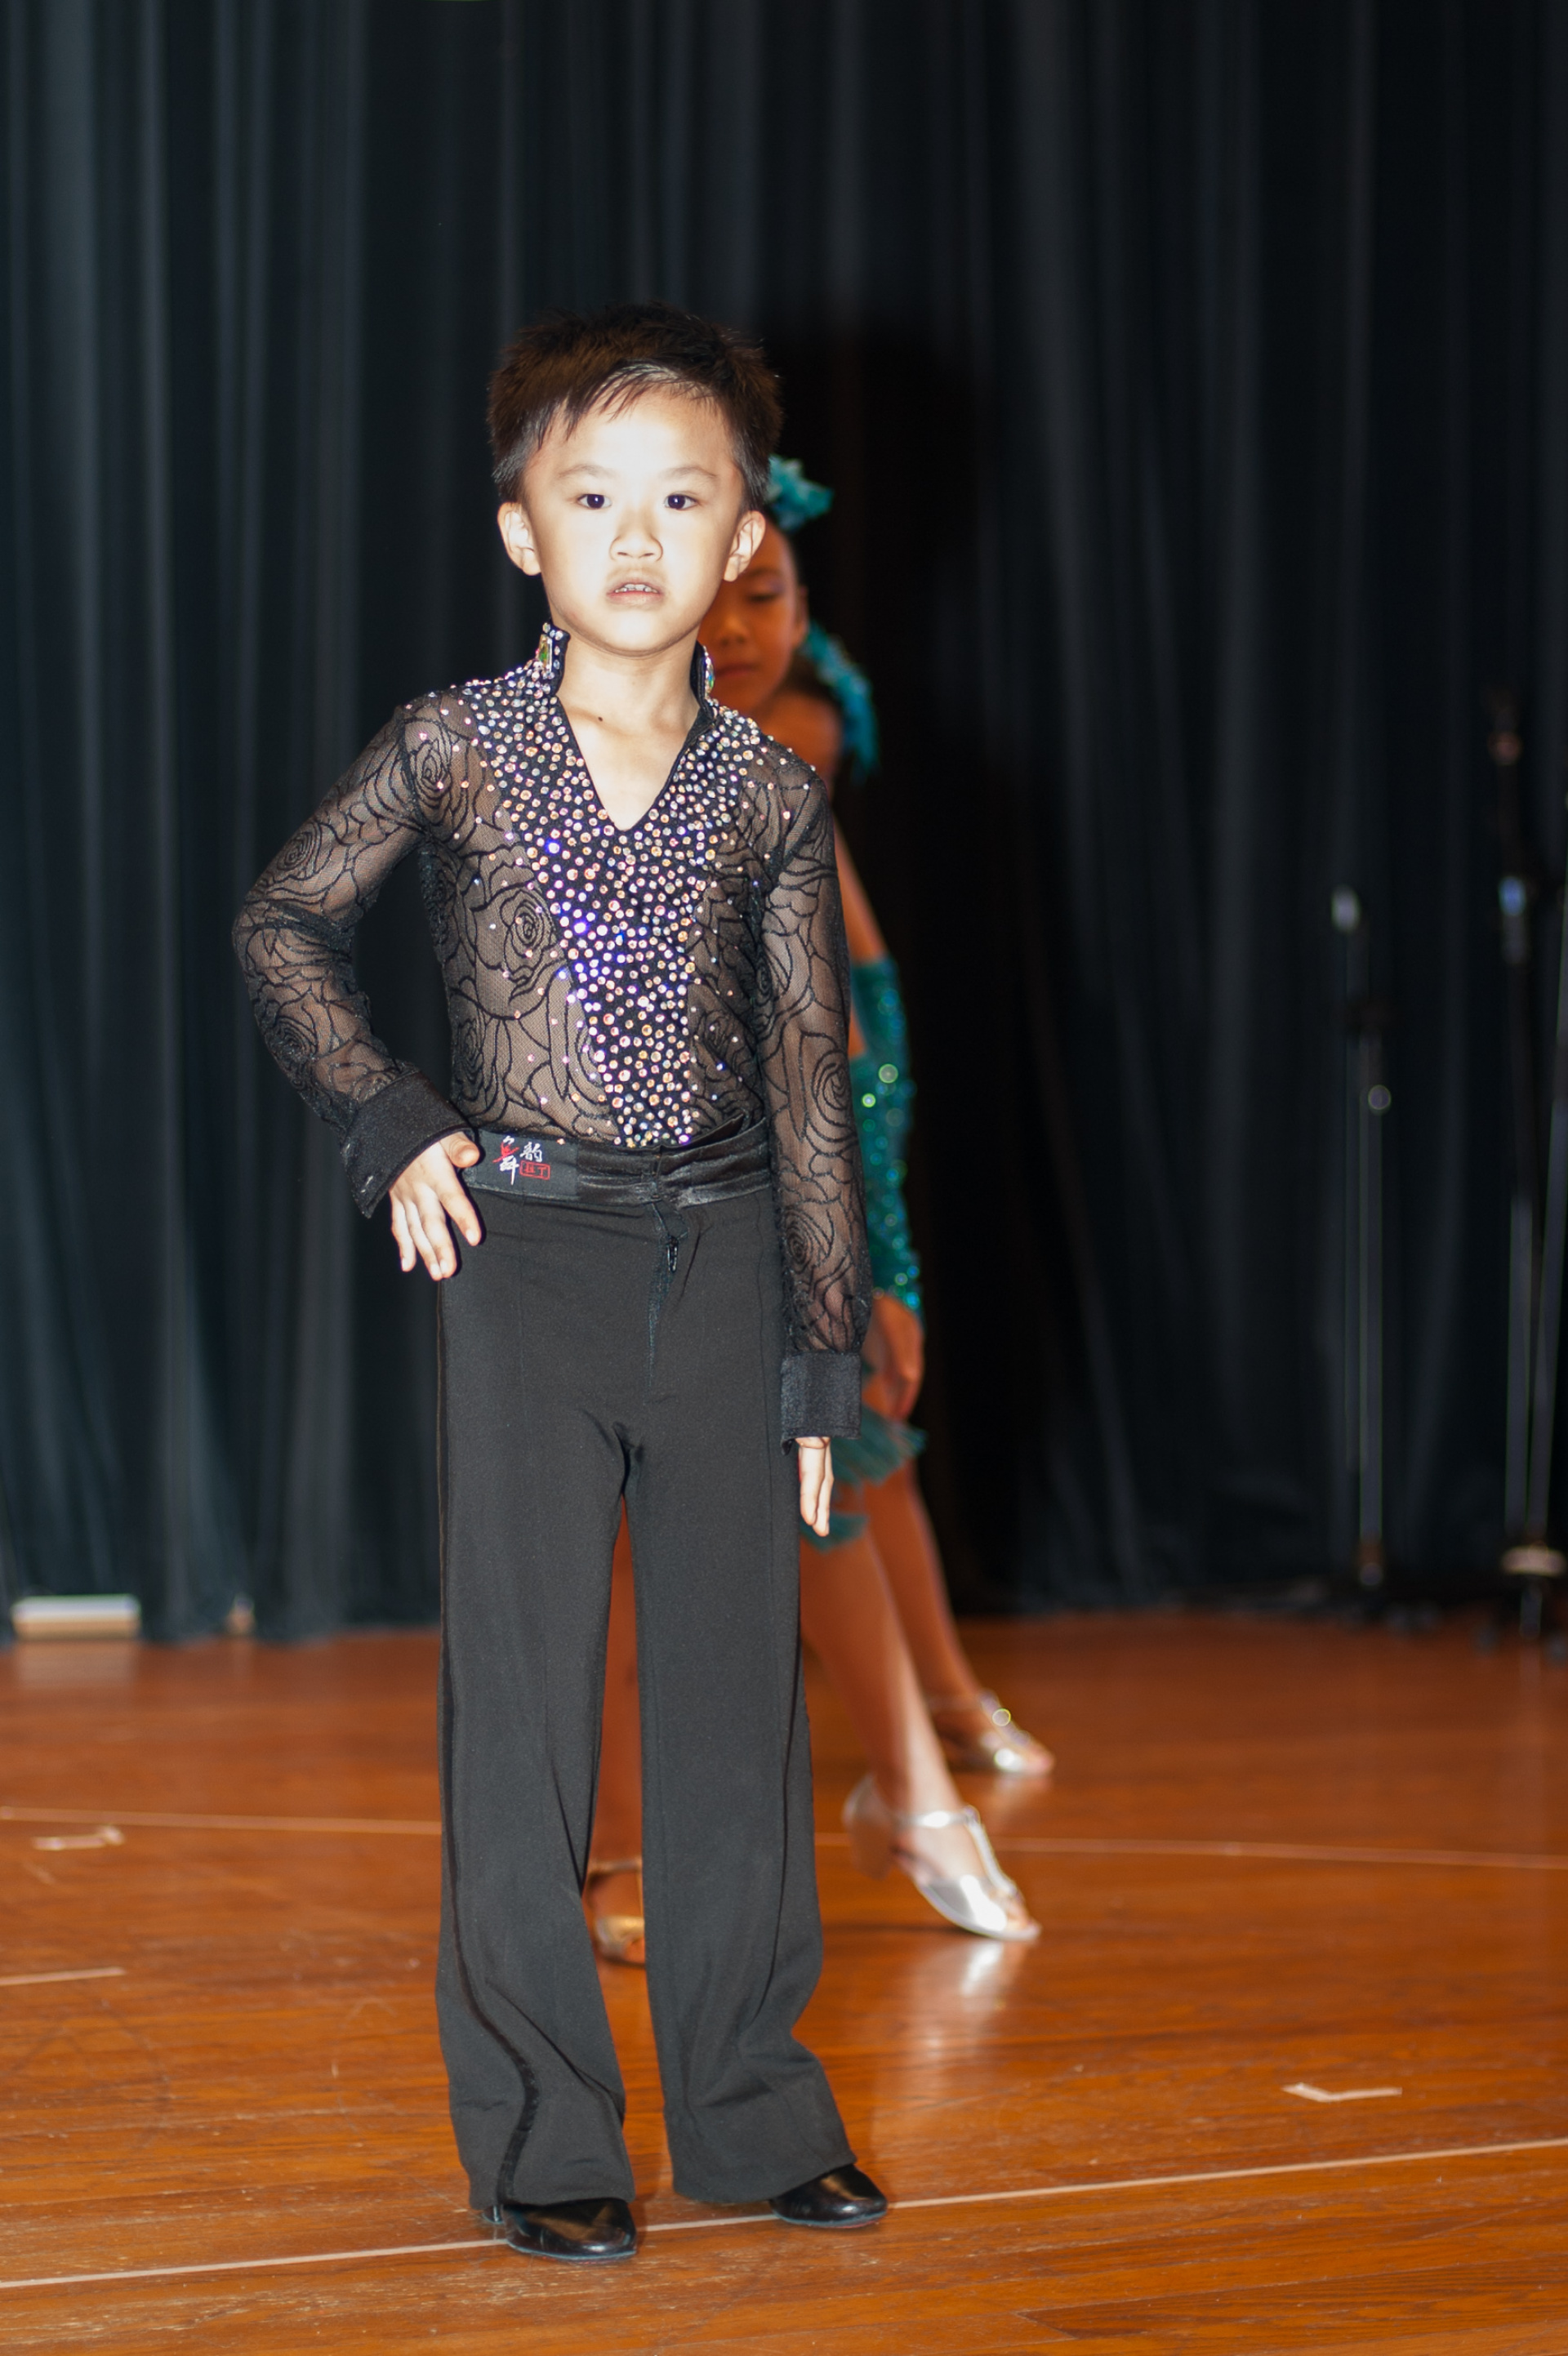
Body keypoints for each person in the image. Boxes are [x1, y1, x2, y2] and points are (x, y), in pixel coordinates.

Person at [234, 305, 888, 2265]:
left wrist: (821, 1353)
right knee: (520, 1715)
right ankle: (541, 2135)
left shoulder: (770, 793)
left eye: (683, 500)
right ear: (522, 528)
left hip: (729, 1262)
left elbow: (809, 1086)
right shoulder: (456, 745)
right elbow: (281, 924)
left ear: (743, 538)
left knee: (734, 1711)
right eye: (592, 497)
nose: (636, 536)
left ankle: (754, 2117)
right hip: (524, 1262)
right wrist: (387, 1115)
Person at [586, 462, 1049, 1966]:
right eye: (712, 589)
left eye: (767, 592)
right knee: (651, 1522)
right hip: (636, 1196)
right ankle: (634, 1840)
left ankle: (916, 1782)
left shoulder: (774, 764)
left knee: (830, 1477)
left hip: (786, 1193)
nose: (736, 623)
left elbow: (845, 1068)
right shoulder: (626, 759)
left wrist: (882, 1265)